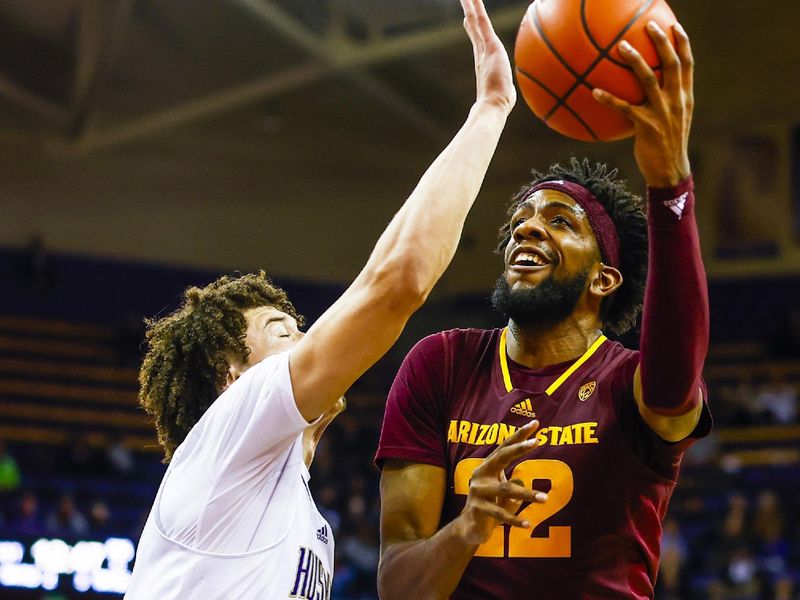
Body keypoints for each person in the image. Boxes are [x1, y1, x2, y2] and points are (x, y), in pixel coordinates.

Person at [124, 1, 517, 598]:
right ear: (231, 377)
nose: (308, 340)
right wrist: (489, 109)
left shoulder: (285, 500)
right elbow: (398, 280)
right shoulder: (230, 429)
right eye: (283, 331)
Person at [376, 9, 711, 600]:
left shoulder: (629, 382)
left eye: (560, 222)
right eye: (519, 221)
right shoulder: (441, 365)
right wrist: (465, 531)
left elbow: (676, 376)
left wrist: (670, 186)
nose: (527, 230)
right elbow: (399, 587)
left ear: (605, 279)